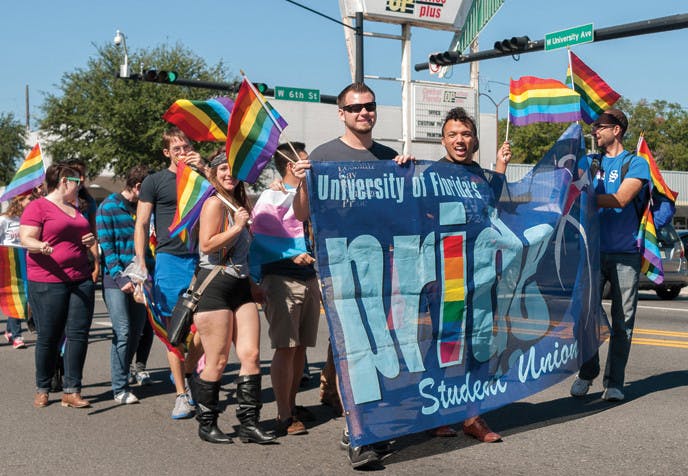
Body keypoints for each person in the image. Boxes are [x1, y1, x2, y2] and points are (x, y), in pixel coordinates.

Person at [291, 82, 412, 469]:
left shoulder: (389, 157)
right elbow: (301, 215)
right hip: (341, 267)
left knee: (385, 349)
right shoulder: (324, 156)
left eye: (369, 106)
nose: (364, 113)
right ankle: (360, 433)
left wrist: (409, 177)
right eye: (355, 107)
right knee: (354, 350)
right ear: (341, 113)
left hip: (385, 267)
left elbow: (403, 213)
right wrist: (302, 182)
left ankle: (371, 422)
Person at [433, 106, 511, 442]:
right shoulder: (429, 173)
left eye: (465, 134)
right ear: (443, 140)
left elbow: (497, 212)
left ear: (475, 139)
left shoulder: (481, 176)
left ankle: (472, 417)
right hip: (447, 273)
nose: (460, 140)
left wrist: (501, 168)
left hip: (481, 275)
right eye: (453, 134)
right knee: (446, 345)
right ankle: (438, 412)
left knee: (480, 344)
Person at [188, 151, 275, 444]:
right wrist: (237, 227)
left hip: (240, 286)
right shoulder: (214, 203)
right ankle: (207, 423)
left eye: (233, 169)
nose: (229, 174)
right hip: (214, 287)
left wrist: (253, 285)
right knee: (218, 359)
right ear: (213, 173)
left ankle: (249, 423)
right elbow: (207, 244)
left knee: (250, 355)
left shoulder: (239, 202)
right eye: (223, 169)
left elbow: (241, 255)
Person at [570, 108, 650, 402]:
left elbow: (620, 199)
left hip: (625, 255)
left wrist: (583, 194)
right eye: (593, 127)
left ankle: (614, 382)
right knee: (584, 313)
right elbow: (564, 176)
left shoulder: (635, 164)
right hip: (591, 252)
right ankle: (587, 370)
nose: (595, 131)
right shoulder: (591, 162)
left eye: (600, 126)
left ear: (617, 130)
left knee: (622, 321)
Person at [134, 127, 206, 419]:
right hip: (169, 260)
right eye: (176, 149)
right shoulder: (155, 181)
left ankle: (186, 373)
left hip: (204, 260)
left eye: (186, 146)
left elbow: (229, 197)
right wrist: (140, 262)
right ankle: (181, 395)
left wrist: (203, 168)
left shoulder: (202, 176)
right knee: (172, 332)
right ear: (166, 153)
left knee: (207, 332)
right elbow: (141, 223)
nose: (182, 152)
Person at [253, 142, 320, 436]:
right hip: (282, 279)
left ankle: (291, 404)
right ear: (292, 166)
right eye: (306, 162)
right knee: (285, 346)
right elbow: (258, 236)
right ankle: (283, 414)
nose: (311, 166)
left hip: (309, 276)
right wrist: (288, 254)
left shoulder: (306, 193)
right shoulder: (270, 196)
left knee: (301, 347)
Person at [20, 163, 98, 409]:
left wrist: (90, 240)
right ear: (65, 180)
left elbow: (85, 236)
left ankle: (72, 390)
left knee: (78, 335)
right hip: (47, 279)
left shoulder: (76, 208)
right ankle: (43, 387)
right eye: (77, 181)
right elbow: (25, 238)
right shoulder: (38, 206)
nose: (81, 184)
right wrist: (39, 245)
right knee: (49, 336)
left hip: (80, 278)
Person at [97, 165, 153, 404]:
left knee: (137, 332)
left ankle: (126, 373)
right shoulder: (108, 207)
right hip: (115, 280)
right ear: (138, 187)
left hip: (141, 280)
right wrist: (120, 277)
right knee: (123, 331)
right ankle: (119, 388)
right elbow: (107, 246)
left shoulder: (146, 209)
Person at [0, 190, 40, 349]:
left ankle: (10, 330)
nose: (32, 201)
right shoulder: (4, 219)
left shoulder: (29, 220)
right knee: (14, 297)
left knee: (25, 298)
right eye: (29, 198)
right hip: (9, 261)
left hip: (26, 259)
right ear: (20, 200)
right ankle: (16, 335)